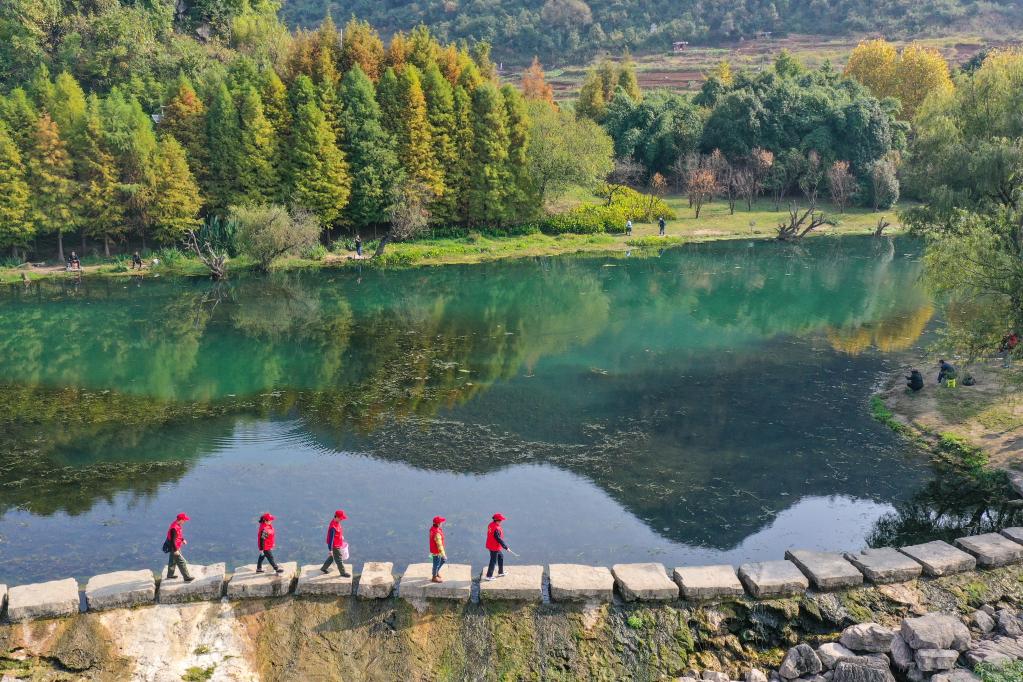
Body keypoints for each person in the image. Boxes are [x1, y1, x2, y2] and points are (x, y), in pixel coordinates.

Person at [164, 512, 194, 582]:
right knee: (181, 562)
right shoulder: (174, 528)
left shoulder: (177, 524)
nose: (185, 521)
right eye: (184, 520)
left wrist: (182, 539)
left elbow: (178, 535)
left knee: (172, 561)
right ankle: (187, 578)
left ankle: (170, 575)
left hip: (175, 546)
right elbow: (172, 540)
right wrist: (175, 550)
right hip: (174, 547)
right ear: (181, 520)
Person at [320, 509, 351, 577]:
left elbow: (338, 532)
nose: (341, 520)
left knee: (332, 557)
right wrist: (330, 550)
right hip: (335, 546)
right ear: (336, 517)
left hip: (338, 543)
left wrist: (341, 536)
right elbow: (331, 540)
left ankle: (323, 568)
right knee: (339, 559)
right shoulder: (333, 528)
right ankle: (343, 573)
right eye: (340, 518)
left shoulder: (336, 522)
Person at [484, 513, 510, 581]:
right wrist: (506, 547)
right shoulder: (496, 529)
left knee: (501, 556)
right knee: (493, 561)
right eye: (500, 520)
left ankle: (500, 572)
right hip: (494, 547)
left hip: (491, 544)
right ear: (497, 520)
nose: (501, 521)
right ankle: (489, 576)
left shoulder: (491, 524)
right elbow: (499, 539)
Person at [429, 516, 447, 583]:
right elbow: (439, 545)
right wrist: (443, 554)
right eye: (441, 522)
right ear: (438, 524)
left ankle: (436, 572)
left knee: (437, 563)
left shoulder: (432, 529)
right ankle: (434, 577)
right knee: (439, 562)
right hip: (437, 552)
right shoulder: (437, 533)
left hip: (434, 550)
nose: (442, 523)